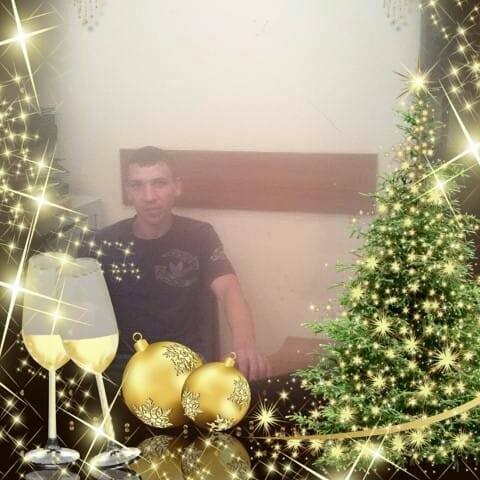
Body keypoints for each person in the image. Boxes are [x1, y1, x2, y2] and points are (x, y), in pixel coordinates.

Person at [87, 146, 271, 382]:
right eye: (137, 185)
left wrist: (245, 345)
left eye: (159, 183)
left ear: (177, 187)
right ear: (128, 191)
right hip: (122, 369)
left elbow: (229, 290)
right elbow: (81, 310)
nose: (149, 196)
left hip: (186, 366)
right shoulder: (103, 241)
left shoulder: (200, 236)